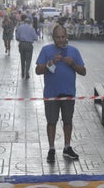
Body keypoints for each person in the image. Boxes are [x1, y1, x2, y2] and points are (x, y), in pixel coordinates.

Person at [35, 23, 86, 163]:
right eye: (57, 37)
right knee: (51, 121)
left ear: (67, 36)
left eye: (63, 36)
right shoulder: (46, 50)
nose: (61, 40)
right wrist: (50, 63)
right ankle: (51, 149)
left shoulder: (74, 51)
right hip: (51, 93)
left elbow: (84, 72)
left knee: (68, 121)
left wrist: (73, 64)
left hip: (68, 92)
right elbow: (37, 71)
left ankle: (67, 147)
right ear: (53, 38)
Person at [16, 14, 39, 79]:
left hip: (22, 44)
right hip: (29, 45)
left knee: (22, 59)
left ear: (24, 22)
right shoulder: (32, 28)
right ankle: (27, 72)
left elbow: (17, 37)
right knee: (28, 59)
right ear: (29, 23)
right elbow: (36, 38)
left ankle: (22, 72)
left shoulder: (20, 27)